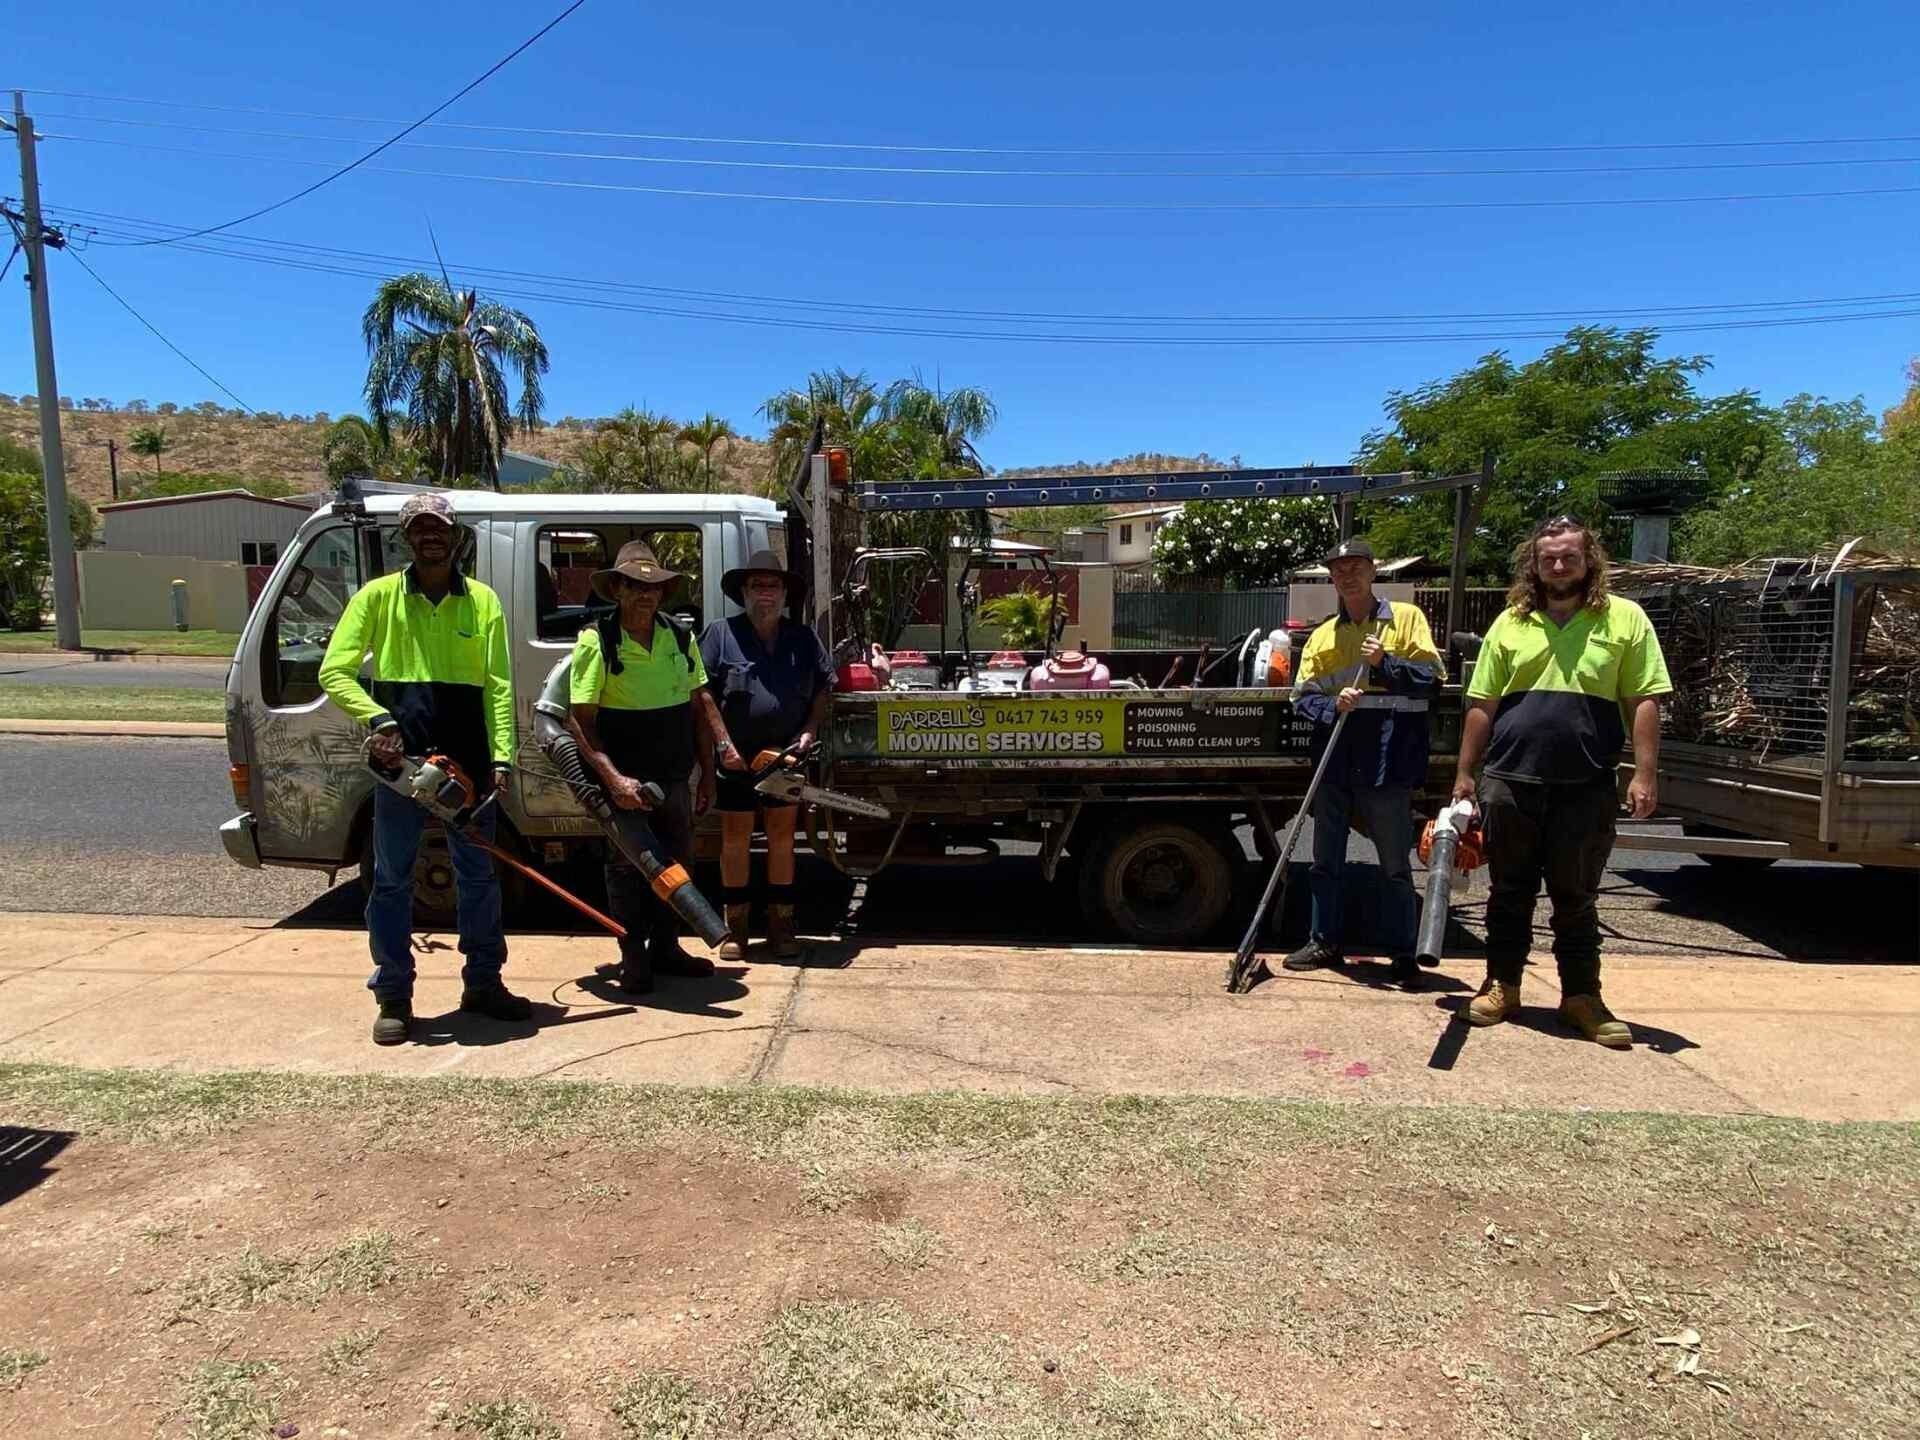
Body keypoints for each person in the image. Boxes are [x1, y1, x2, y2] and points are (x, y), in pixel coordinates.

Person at [1453, 515, 1672, 1048]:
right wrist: (1464, 774)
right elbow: (1483, 705)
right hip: (1509, 779)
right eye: (1548, 558)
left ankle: (1582, 998)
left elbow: (1644, 698)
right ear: (1535, 564)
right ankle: (1501, 985)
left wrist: (1645, 774)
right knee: (1508, 890)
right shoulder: (1510, 622)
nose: (1557, 565)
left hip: (1586, 782)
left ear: (1588, 560)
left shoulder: (1625, 619)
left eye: (1568, 556)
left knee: (1576, 897)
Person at [317, 492, 523, 1046]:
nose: (430, 537)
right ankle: (394, 996)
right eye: (419, 529)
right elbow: (334, 671)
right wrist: (378, 718)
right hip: (400, 765)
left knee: (478, 877)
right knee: (390, 880)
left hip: (470, 767)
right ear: (405, 538)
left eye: (439, 528)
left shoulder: (483, 602)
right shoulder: (377, 597)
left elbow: (499, 687)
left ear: (455, 537)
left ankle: (484, 983)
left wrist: (502, 756)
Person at [567, 540, 730, 994]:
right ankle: (632, 955)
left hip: (674, 777)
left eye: (653, 587)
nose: (645, 595)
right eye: (635, 586)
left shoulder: (680, 637)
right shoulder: (596, 640)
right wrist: (614, 780)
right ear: (617, 590)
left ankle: (668, 948)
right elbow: (580, 722)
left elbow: (700, 706)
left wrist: (708, 773)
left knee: (678, 864)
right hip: (623, 783)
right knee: (628, 870)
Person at [1282, 539, 1445, 988]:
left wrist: (1384, 663)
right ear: (1331, 578)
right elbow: (1302, 697)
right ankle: (1323, 941)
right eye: (1338, 569)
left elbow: (1431, 683)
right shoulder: (1321, 636)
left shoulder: (1406, 620)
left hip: (1387, 760)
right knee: (1325, 859)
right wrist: (1333, 705)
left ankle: (1402, 953)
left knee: (1393, 862)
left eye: (1355, 567)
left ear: (1374, 572)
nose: (1347, 575)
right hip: (1336, 759)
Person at [700, 550, 832, 960]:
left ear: (784, 593)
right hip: (735, 761)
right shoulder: (720, 633)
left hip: (785, 759)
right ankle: (736, 929)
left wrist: (809, 731)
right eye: (756, 585)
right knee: (736, 841)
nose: (765, 593)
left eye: (772, 585)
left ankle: (781, 926)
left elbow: (826, 684)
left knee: (780, 839)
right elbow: (700, 691)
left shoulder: (803, 638)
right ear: (743, 591)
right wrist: (723, 743)